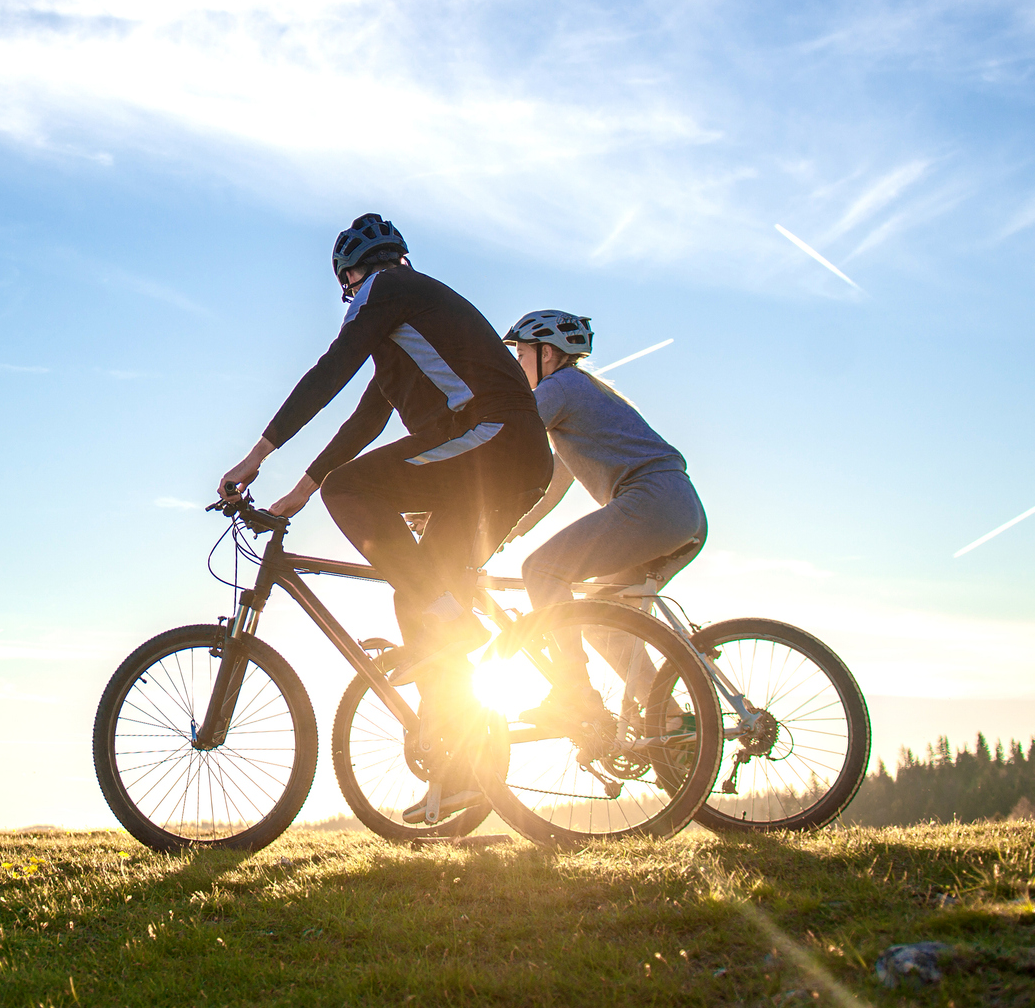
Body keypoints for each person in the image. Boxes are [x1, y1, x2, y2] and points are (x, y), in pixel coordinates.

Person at [218, 215, 554, 797]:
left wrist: (255, 457)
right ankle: (462, 773)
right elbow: (367, 417)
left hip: (494, 439)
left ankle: (456, 619)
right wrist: (299, 491)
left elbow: (330, 372)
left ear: (351, 276)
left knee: (353, 494)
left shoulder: (384, 291)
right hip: (509, 458)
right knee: (416, 598)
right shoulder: (411, 326)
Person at [501, 309, 708, 722]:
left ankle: (572, 691)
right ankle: (668, 722)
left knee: (542, 571)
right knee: (600, 622)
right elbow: (551, 487)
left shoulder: (560, 386)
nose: (516, 364)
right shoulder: (578, 394)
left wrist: (447, 503)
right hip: (680, 511)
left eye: (521, 353)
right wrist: (504, 530)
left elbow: (507, 443)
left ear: (547, 354)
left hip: (651, 502)